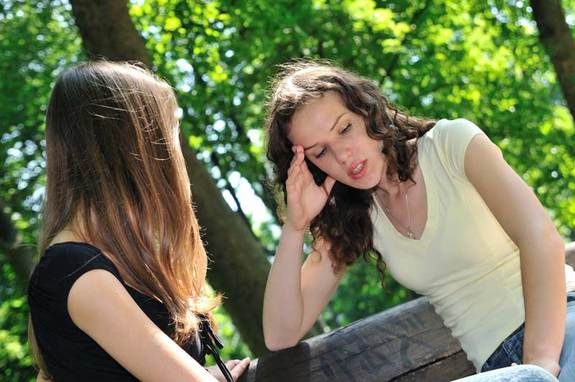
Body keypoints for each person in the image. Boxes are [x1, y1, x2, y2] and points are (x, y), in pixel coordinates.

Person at [262, 61, 575, 381]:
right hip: (498, 370)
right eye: (321, 152)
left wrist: (539, 363)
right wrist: (295, 226)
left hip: (560, 327)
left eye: (344, 129)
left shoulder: (450, 144)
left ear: (367, 110)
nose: (343, 155)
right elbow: (280, 335)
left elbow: (540, 238)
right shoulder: (357, 219)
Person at [27, 61, 250, 382]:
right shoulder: (74, 273)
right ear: (137, 147)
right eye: (170, 131)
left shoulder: (112, 262)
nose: (177, 152)